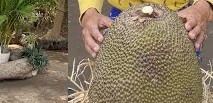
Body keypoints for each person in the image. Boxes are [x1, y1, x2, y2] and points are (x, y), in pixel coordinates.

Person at [78, 0, 213, 58]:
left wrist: (204, 7)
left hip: (181, 18)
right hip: (121, 17)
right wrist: (89, 12)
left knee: (180, 80)